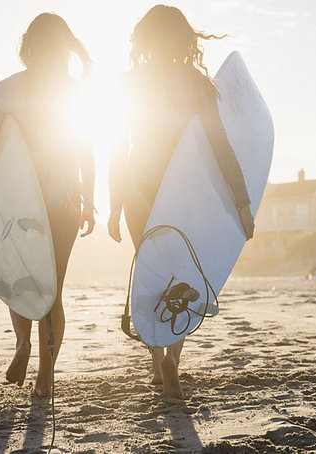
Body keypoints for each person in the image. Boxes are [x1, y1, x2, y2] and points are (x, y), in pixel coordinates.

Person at [107, 5, 255, 399]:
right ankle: (174, 356)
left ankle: (156, 366)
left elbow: (117, 149)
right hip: (184, 188)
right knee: (182, 273)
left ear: (144, 39)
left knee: (151, 273)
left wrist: (114, 207)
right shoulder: (195, 83)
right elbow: (221, 146)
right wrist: (242, 202)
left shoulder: (129, 83)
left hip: (139, 185)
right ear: (183, 39)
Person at [0, 13, 95, 397]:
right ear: (64, 47)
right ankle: (46, 378)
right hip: (63, 199)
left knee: (19, 280)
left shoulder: (8, 90)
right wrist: (91, 200)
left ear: (28, 46)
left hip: (17, 205)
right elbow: (85, 151)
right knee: (53, 289)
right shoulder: (75, 91)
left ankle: (23, 344)